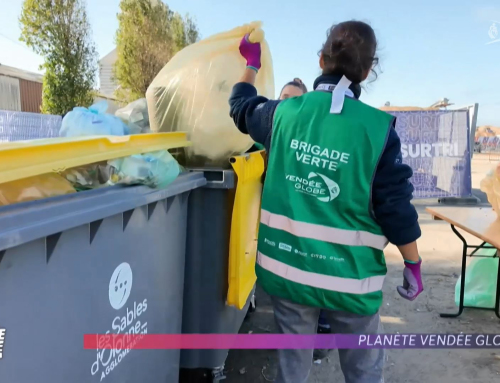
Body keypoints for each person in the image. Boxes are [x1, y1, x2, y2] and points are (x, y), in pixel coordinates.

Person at [229, 20, 423, 383]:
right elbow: (395, 209)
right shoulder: (378, 130)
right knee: (363, 371)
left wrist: (252, 64)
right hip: (351, 279)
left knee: (292, 367)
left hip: (290, 271)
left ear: (321, 61)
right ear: (367, 71)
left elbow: (240, 106)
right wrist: (412, 263)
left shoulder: (282, 115)